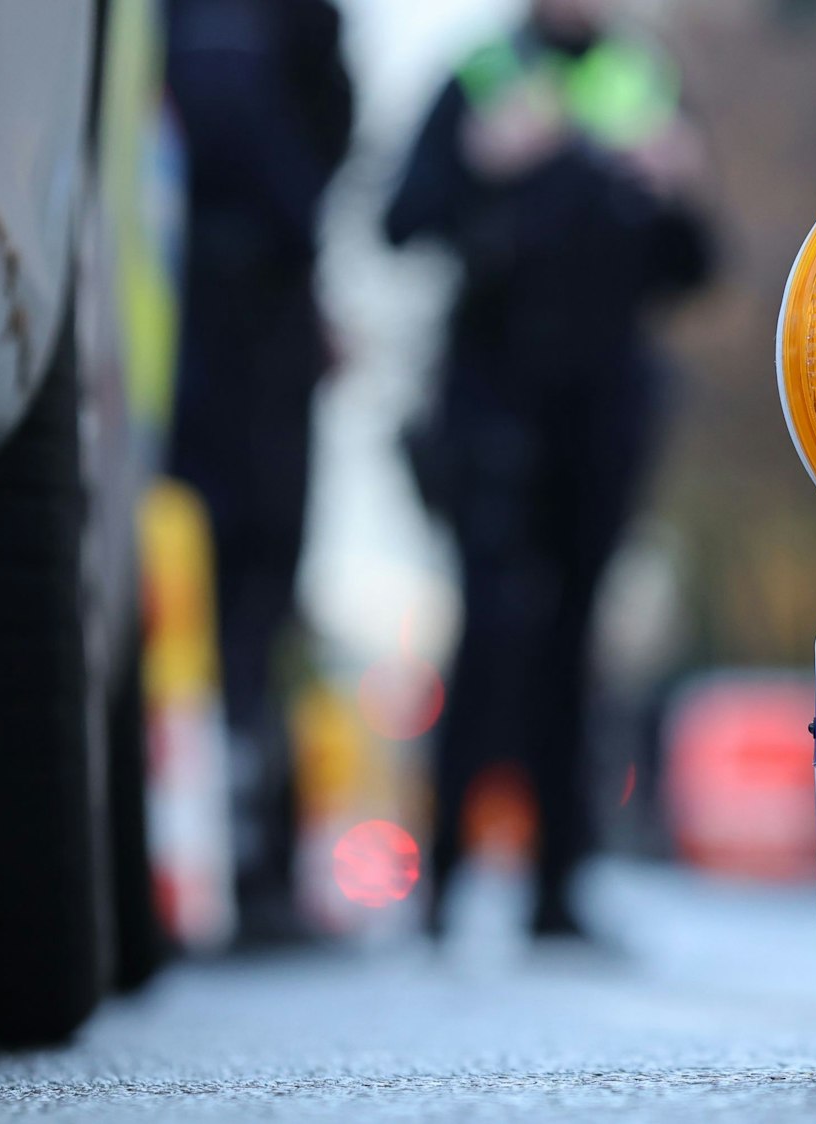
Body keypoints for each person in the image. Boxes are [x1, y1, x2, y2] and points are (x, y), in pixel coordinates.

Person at [385, 0, 712, 939]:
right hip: (492, 402)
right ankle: (443, 877)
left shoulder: (645, 83)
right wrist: (482, 166)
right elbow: (402, 221)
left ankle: (557, 889)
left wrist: (681, 188)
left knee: (574, 639)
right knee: (491, 631)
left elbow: (695, 265)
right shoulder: (481, 75)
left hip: (604, 409)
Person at [165, 0, 353, 944]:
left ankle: (226, 859)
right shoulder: (273, 24)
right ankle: (245, 868)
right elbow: (314, 145)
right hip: (232, 328)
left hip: (193, 316)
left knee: (222, 609)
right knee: (244, 604)